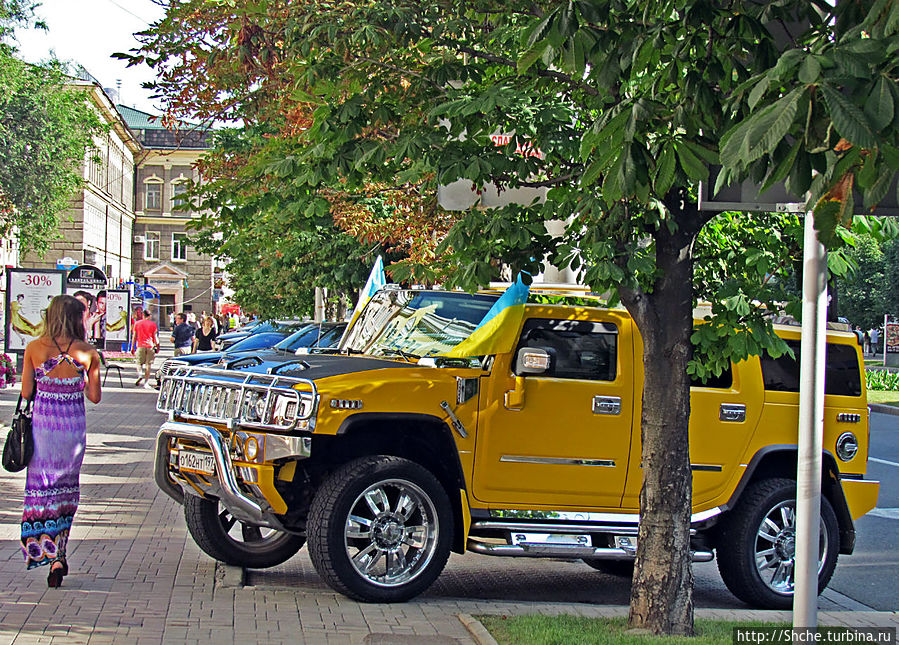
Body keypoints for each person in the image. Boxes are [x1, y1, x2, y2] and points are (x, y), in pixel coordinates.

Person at [19, 294, 101, 588]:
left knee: (43, 492)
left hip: (43, 431)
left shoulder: (34, 348)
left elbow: (27, 392)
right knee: (67, 493)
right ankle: (59, 555)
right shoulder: (87, 352)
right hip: (72, 432)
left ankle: (48, 552)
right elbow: (94, 396)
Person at [133, 308, 159, 388]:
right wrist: (157, 346)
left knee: (138, 362)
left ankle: (140, 374)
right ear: (150, 316)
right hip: (150, 346)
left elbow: (134, 336)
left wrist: (132, 347)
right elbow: (155, 337)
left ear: (143, 315)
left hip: (140, 346)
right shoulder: (153, 324)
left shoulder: (137, 323)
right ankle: (146, 383)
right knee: (148, 365)